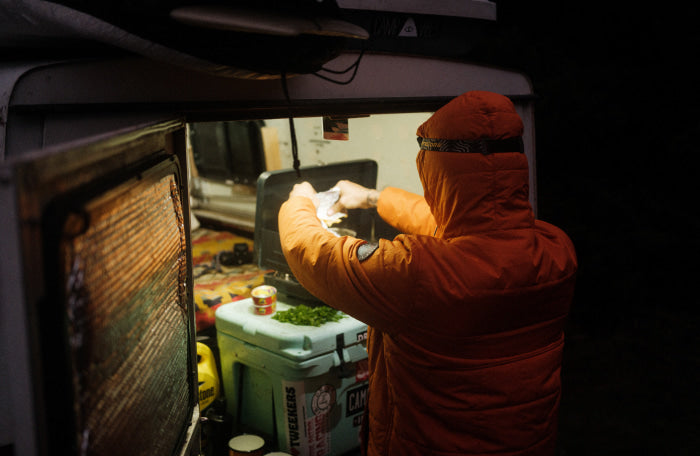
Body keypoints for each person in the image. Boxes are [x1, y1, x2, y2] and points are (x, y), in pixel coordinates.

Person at [278, 91, 577, 456]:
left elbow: (311, 251)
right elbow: (469, 231)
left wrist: (301, 201)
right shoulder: (557, 250)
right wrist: (374, 198)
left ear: (437, 172)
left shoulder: (416, 274)